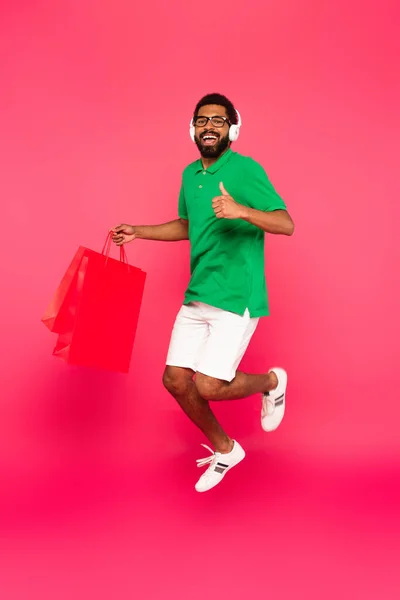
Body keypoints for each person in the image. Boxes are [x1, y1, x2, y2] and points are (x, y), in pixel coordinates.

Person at [112, 93, 294, 493]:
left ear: (233, 128)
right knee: (175, 380)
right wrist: (138, 232)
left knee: (209, 384)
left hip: (236, 296)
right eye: (201, 120)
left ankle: (271, 383)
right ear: (192, 128)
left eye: (218, 120)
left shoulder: (245, 171)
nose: (208, 126)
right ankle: (227, 450)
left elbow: (286, 223)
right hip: (198, 295)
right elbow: (187, 225)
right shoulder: (189, 175)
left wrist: (242, 211)